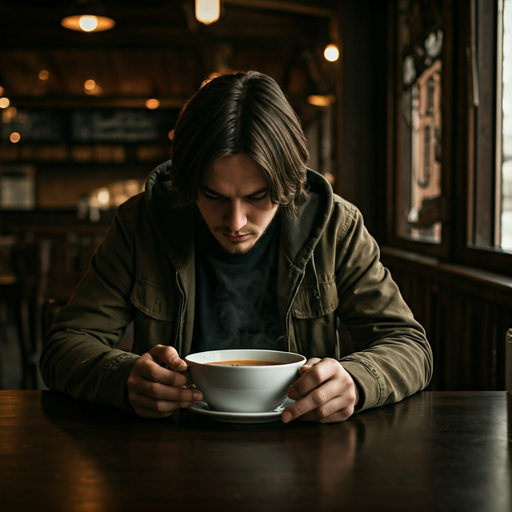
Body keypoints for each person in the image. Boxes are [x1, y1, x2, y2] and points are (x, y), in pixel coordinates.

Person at [40, 70, 433, 423]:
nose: (236, 222)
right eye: (213, 196)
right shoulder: (142, 222)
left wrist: (357, 381)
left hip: (302, 444)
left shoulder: (334, 226)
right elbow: (64, 347)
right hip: (173, 445)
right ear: (187, 182)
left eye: (259, 196)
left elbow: (409, 346)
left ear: (288, 184)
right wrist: (123, 377)